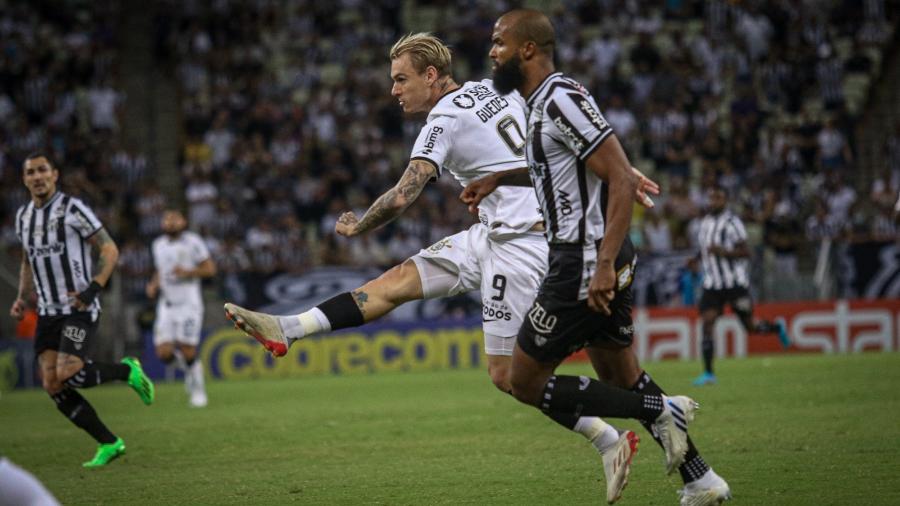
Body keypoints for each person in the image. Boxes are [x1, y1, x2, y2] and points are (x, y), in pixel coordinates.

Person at [223, 33, 659, 503]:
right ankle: (289, 327)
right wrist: (620, 170)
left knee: (507, 376)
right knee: (395, 284)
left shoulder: (443, 118)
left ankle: (621, 431)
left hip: (521, 244)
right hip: (499, 232)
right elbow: (558, 136)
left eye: (401, 79)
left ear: (431, 76)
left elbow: (402, 195)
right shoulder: (493, 90)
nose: (394, 90)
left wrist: (358, 226)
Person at [460, 10, 730, 504]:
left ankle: (658, 407)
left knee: (521, 380)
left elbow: (620, 178)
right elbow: (560, 168)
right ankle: (701, 479)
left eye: (500, 43)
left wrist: (602, 265)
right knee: (619, 374)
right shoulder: (541, 102)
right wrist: (501, 177)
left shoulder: (560, 97)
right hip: (596, 258)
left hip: (583, 265)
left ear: (528, 49)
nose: (492, 52)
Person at [10, 153, 155, 467]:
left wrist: (93, 288)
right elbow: (27, 260)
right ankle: (110, 443)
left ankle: (127, 370)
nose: (37, 176)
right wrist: (22, 297)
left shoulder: (72, 209)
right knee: (51, 383)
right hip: (47, 310)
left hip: (78, 306)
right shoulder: (23, 217)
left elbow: (109, 248)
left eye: (42, 170)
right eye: (30, 172)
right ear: (24, 179)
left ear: (54, 175)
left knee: (69, 372)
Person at [694, 185, 790, 386]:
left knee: (750, 326)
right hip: (712, 284)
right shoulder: (704, 222)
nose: (713, 201)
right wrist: (695, 260)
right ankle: (709, 373)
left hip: (734, 283)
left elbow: (746, 252)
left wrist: (723, 252)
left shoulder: (733, 223)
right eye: (711, 197)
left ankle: (776, 327)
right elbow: (705, 250)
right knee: (707, 322)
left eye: (718, 197)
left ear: (726, 200)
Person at [146, 208, 216, 407]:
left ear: (183, 222)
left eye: (174, 218)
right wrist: (153, 284)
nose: (170, 222)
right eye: (166, 219)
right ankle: (190, 370)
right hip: (166, 304)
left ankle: (198, 392)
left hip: (188, 303)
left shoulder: (193, 242)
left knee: (187, 351)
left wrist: (188, 272)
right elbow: (160, 270)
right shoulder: (157, 245)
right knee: (163, 354)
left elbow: (210, 269)